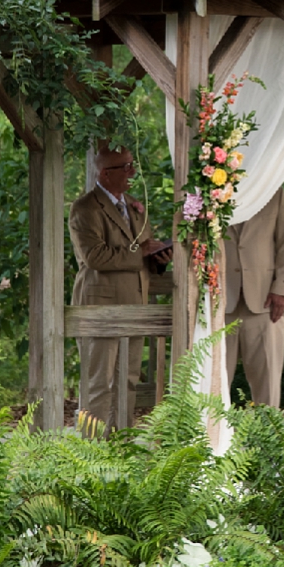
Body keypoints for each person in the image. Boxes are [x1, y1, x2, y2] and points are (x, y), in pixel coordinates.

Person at [68, 143, 172, 430]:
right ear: (104, 173)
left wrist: (158, 258)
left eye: (131, 164)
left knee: (128, 379)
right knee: (98, 381)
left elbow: (141, 254)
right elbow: (95, 256)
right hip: (99, 306)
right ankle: (91, 451)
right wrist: (141, 253)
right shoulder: (86, 208)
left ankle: (121, 442)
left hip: (134, 304)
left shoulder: (135, 207)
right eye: (125, 167)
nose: (132, 172)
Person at [221, 190, 284, 408]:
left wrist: (281, 288)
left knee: (268, 386)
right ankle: (212, 439)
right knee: (214, 383)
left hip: (265, 302)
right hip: (221, 302)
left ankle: (268, 440)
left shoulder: (273, 192)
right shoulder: (209, 188)